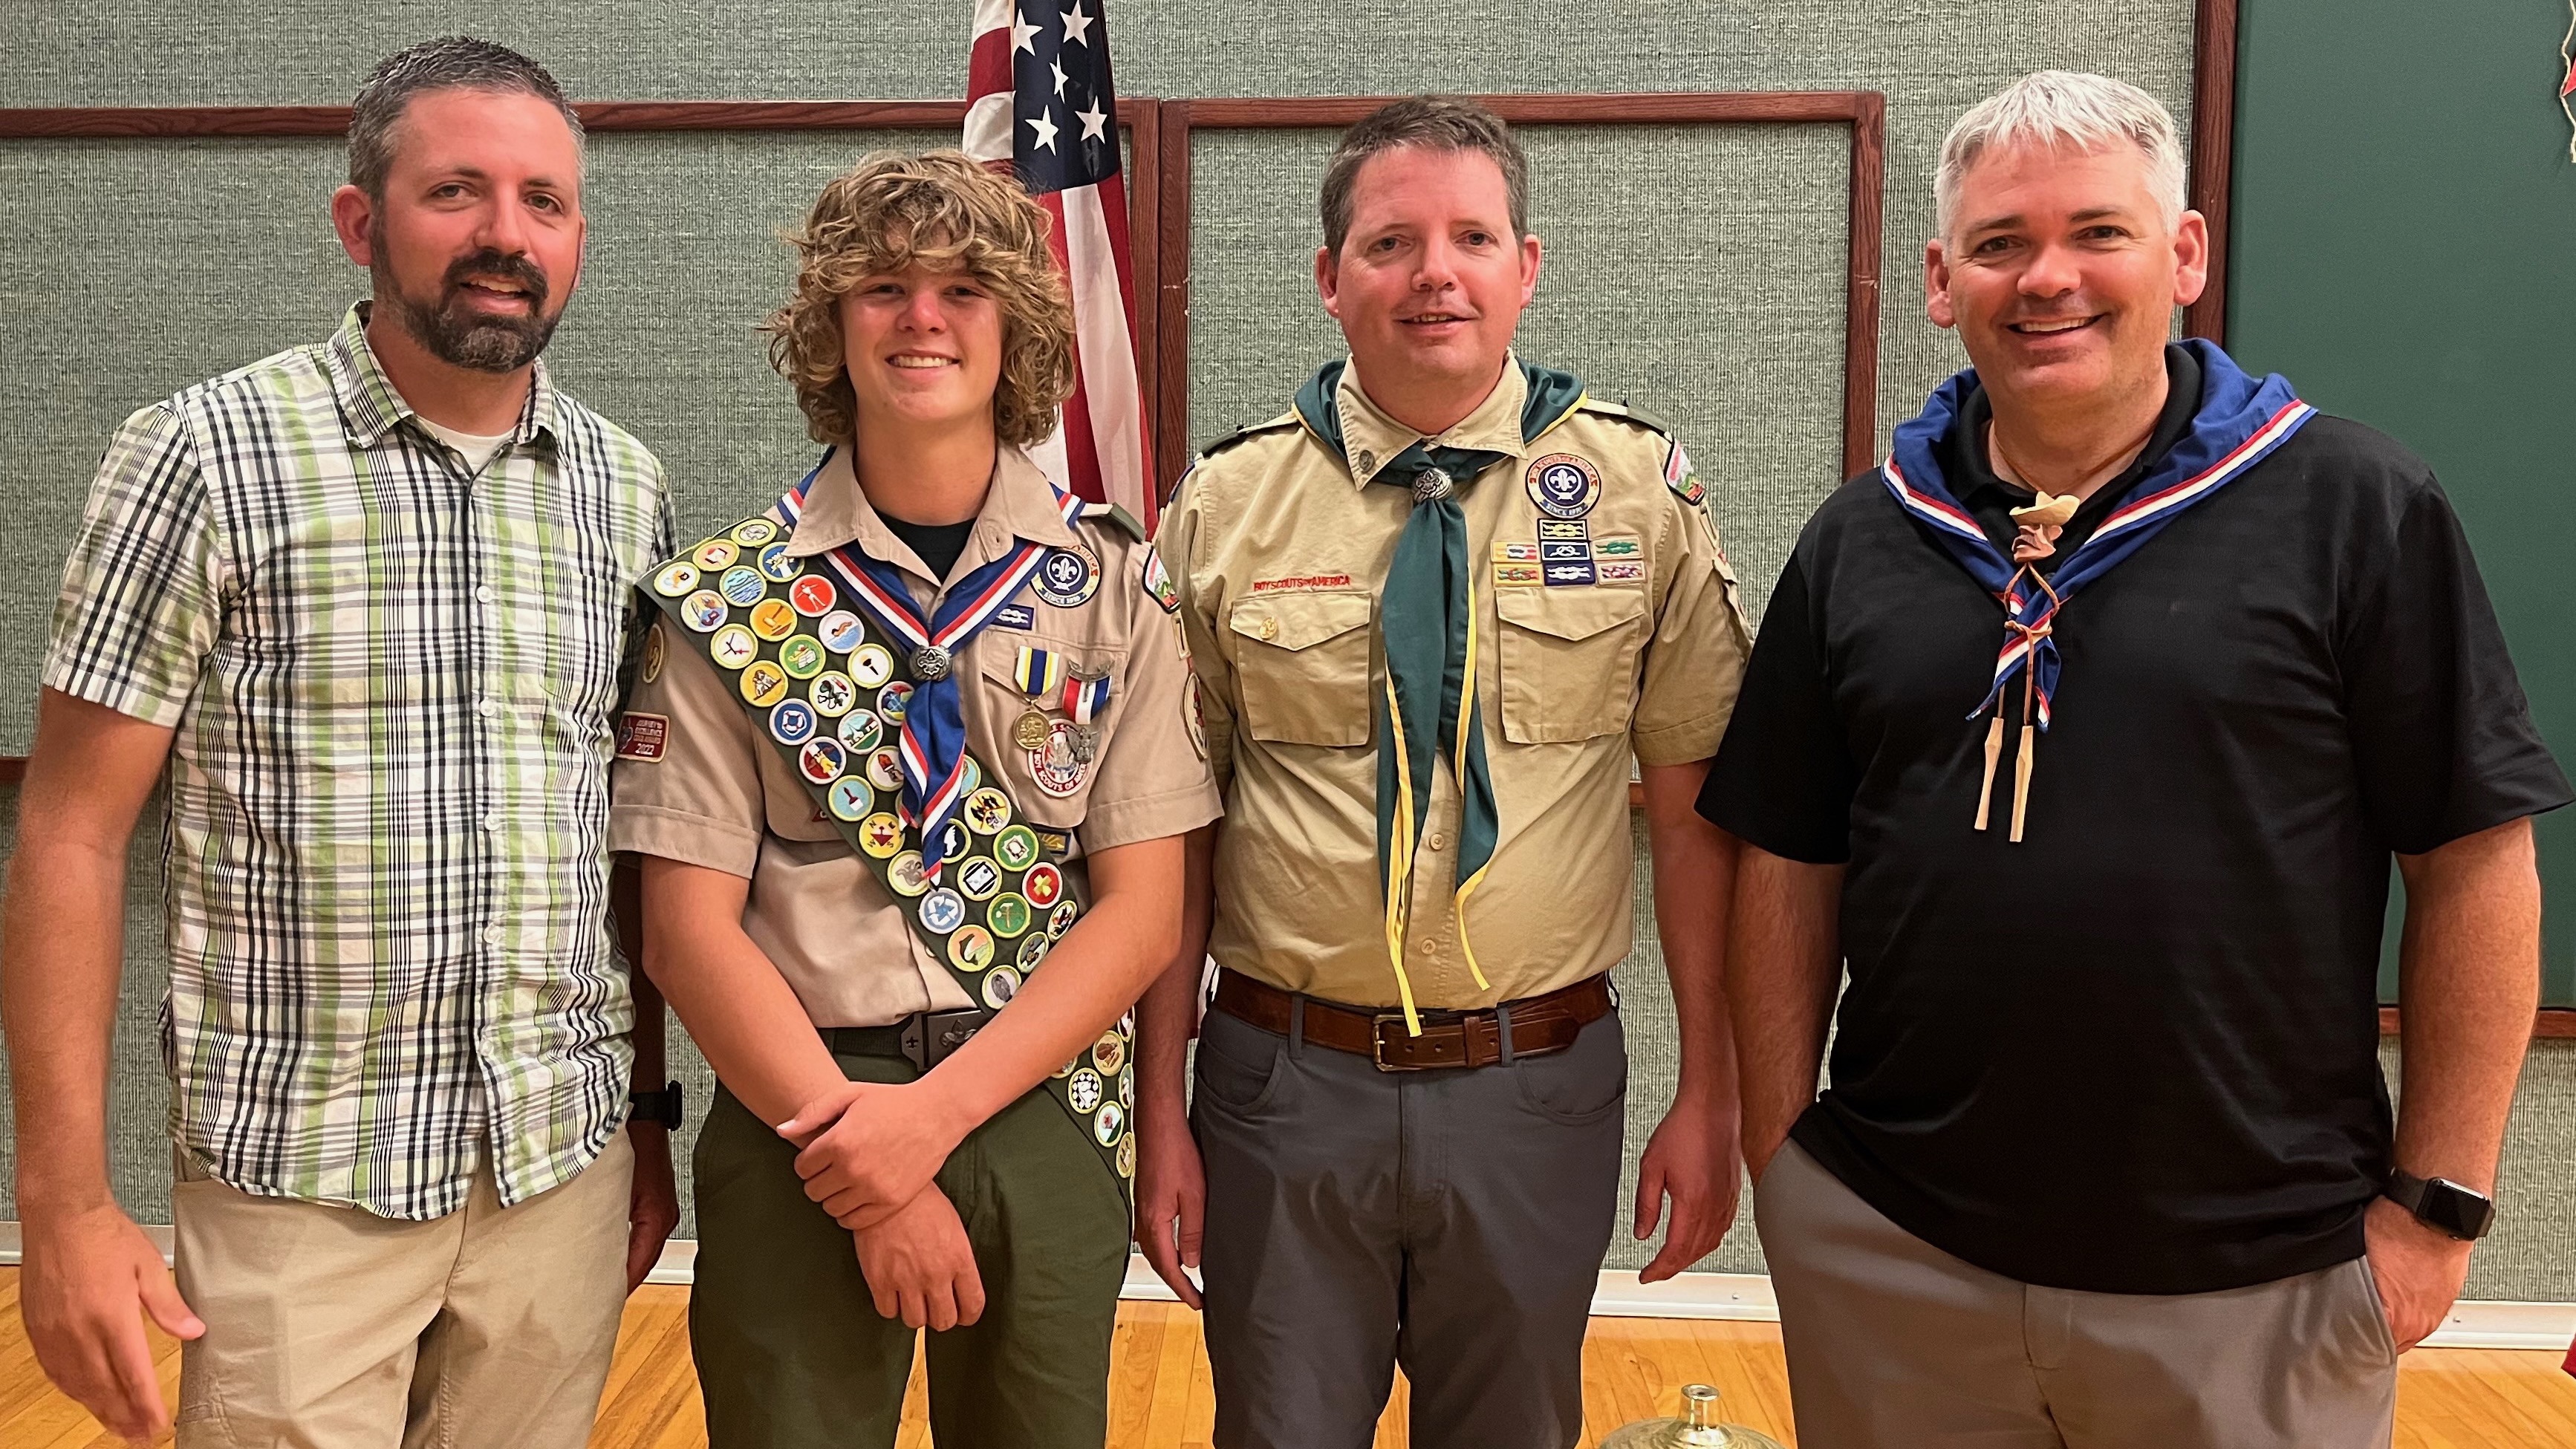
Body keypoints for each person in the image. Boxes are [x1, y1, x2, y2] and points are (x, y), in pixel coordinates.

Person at [1701, 70, 2569, 1449]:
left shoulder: (2356, 506)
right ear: (1940, 279)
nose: (2048, 279)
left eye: (2098, 233)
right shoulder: (1864, 537)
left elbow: (2474, 859)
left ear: (2186, 255)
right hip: (1897, 1261)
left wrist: (2440, 1205)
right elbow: (1791, 851)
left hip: (2260, 1281)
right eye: (2000, 245)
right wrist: (1784, 1164)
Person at [1, 36, 680, 1448]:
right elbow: (70, 831)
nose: (507, 235)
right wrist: (62, 1206)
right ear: (359, 222)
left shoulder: (624, 487)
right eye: (459, 193)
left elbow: (627, 833)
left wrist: (649, 1123)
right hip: (299, 1183)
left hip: (557, 1167)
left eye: (544, 202)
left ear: (579, 239)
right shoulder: (201, 456)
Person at [1136, 96, 1753, 1449]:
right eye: (1390, 242)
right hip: (1283, 1085)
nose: (1435, 273)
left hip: (1535, 1081)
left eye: (1473, 236)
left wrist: (1713, 1088)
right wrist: (1157, 1104)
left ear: (1526, 267)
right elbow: (1171, 834)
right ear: (1329, 279)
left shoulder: (1636, 492)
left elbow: (1702, 806)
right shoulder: (1227, 507)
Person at [611, 149, 1216, 1448]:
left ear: (1022, 331)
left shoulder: (1112, 585)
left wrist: (932, 1124)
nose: (923, 318)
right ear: (832, 323)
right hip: (802, 1112)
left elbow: (1142, 914)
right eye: (883, 287)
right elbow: (685, 932)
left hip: (1041, 1106)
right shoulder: (730, 598)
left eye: (963, 290)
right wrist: (874, 1177)